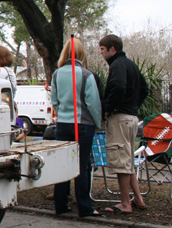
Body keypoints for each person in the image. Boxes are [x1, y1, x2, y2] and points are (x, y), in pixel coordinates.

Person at [50, 38, 104, 217]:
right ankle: (85, 207)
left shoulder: (57, 74)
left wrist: (62, 114)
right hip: (83, 124)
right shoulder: (86, 74)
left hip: (62, 124)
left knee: (63, 164)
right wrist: (97, 123)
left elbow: (54, 100)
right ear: (81, 53)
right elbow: (93, 103)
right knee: (82, 166)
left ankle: (60, 205)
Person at [99, 34, 149, 214]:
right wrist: (133, 106)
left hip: (120, 118)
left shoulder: (118, 65)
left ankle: (125, 203)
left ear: (112, 49)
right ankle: (138, 199)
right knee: (127, 161)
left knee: (121, 162)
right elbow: (145, 89)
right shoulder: (130, 64)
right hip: (131, 118)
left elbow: (119, 87)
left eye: (102, 49)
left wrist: (109, 108)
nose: (101, 53)